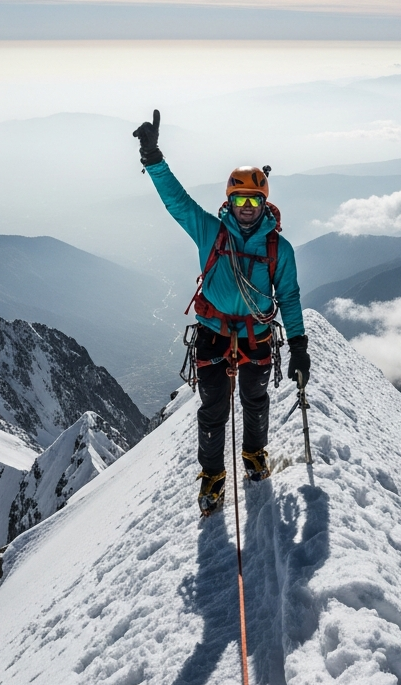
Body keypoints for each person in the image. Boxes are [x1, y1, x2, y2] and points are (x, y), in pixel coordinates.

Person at [133, 110, 310, 515]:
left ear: (265, 203)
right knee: (213, 408)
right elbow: (176, 202)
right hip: (214, 330)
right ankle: (212, 476)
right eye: (239, 199)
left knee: (255, 399)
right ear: (229, 201)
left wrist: (299, 344)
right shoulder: (211, 232)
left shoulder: (278, 250)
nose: (246, 207)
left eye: (253, 200)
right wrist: (153, 158)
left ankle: (253, 455)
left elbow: (291, 296)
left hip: (255, 333)